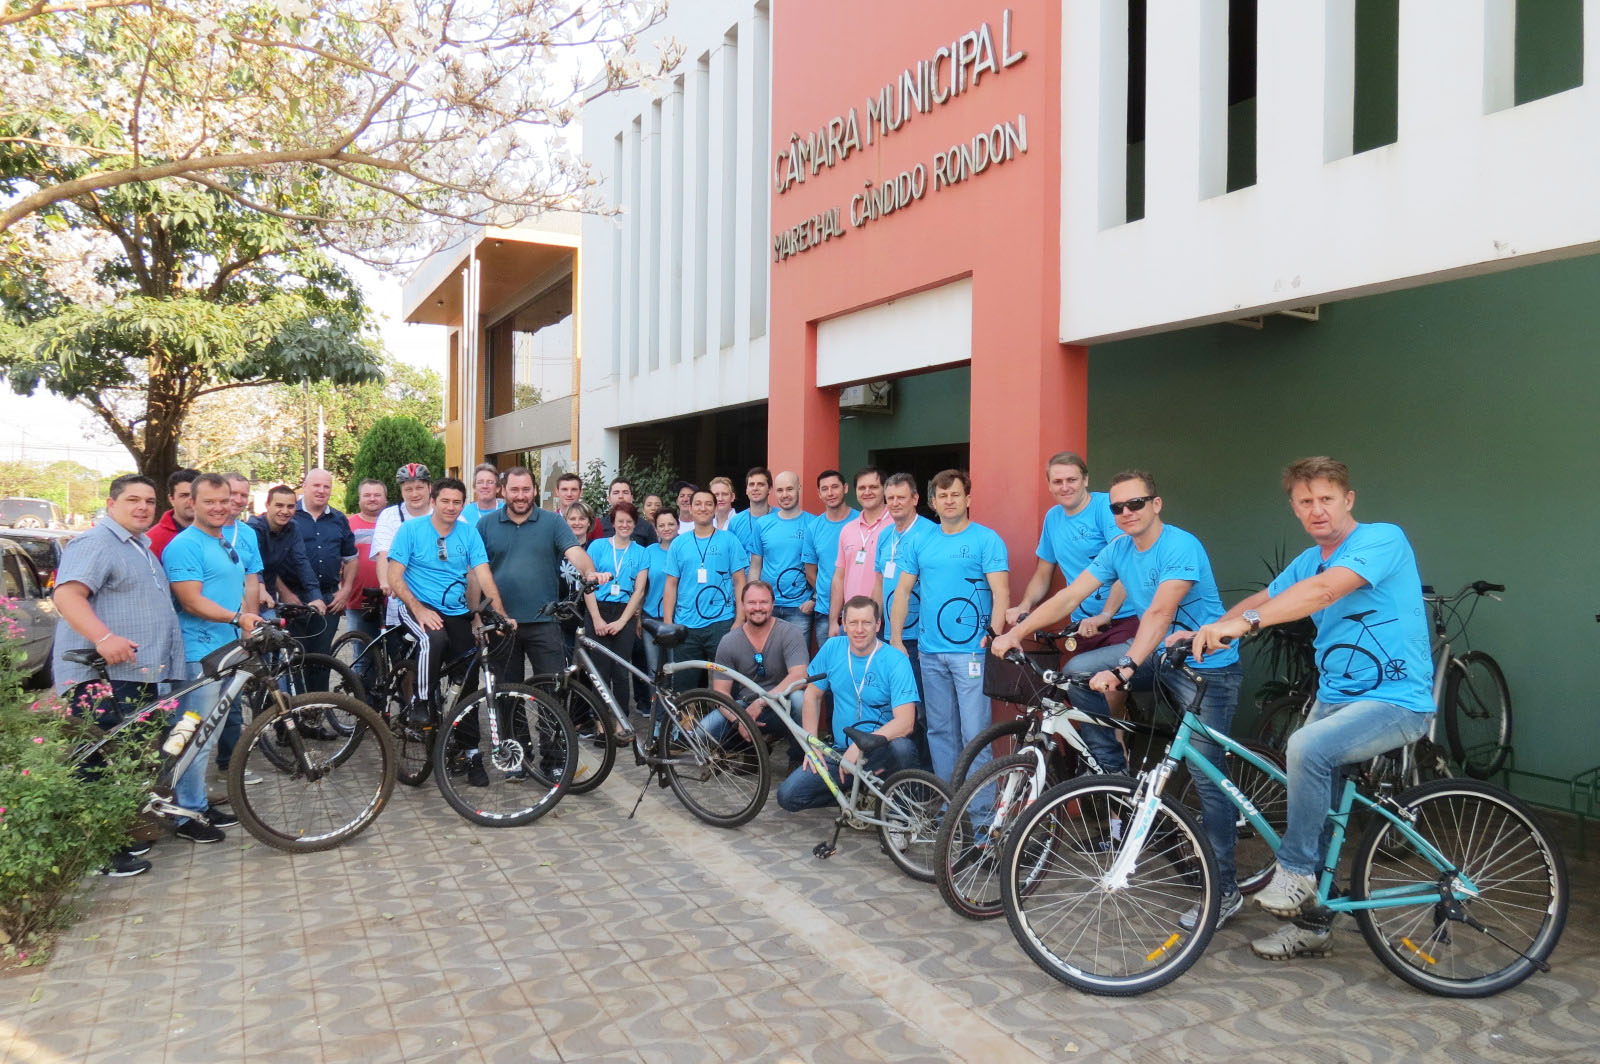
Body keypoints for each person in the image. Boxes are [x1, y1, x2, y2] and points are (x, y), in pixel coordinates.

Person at [1192, 457, 1434, 961]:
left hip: (1396, 700)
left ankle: (1297, 870)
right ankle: (1313, 926)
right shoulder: (1308, 559)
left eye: (1327, 498)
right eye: (1306, 501)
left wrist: (1247, 624)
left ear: (1349, 499)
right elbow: (1269, 595)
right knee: (1315, 802)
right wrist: (1204, 630)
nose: (1317, 509)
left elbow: (1324, 592)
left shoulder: (1382, 539)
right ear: (1295, 509)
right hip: (1336, 700)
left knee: (1305, 748)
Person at [993, 469, 1243, 924]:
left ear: (1156, 504)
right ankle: (1113, 766)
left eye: (1136, 504)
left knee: (1207, 778)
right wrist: (1018, 631)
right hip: (1160, 655)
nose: (1126, 513)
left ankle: (1225, 891)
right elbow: (1069, 596)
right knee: (1077, 671)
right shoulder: (1119, 549)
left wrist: (1126, 667)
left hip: (1206, 667)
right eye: (1118, 507)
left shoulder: (1180, 546)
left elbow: (1162, 612)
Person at [51, 473, 187, 877]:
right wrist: (104, 636)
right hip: (102, 676)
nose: (142, 507)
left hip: (136, 673)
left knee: (126, 758)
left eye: (148, 500)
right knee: (94, 764)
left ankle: (120, 835)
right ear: (111, 505)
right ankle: (95, 854)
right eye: (132, 499)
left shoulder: (139, 546)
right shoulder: (96, 542)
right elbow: (66, 595)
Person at [889, 469, 1009, 786]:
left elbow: (1002, 592)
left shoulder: (986, 539)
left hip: (972, 652)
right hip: (930, 653)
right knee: (939, 731)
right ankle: (949, 806)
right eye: (943, 495)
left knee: (975, 734)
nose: (949, 500)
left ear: (968, 498)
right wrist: (896, 638)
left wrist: (994, 637)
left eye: (956, 494)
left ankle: (981, 816)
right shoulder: (920, 541)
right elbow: (901, 591)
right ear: (933, 502)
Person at [162, 473, 262, 843]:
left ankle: (196, 803)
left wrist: (243, 627)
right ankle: (185, 813)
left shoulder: (221, 541)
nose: (219, 507)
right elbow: (191, 600)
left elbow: (237, 587)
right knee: (192, 734)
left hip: (224, 650)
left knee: (209, 733)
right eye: (209, 502)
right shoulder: (185, 545)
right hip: (197, 655)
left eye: (224, 501)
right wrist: (238, 618)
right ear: (193, 503)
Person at [1005, 451, 1137, 716]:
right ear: (1050, 485)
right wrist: (1024, 604)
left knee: (1108, 700)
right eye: (1057, 481)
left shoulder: (1104, 507)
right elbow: (1044, 574)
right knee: (1084, 700)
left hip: (1124, 617)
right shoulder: (1053, 519)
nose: (1065, 487)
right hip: (1082, 625)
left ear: (1085, 479)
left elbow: (1124, 565)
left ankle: (1115, 753)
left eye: (1071, 479)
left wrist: (1106, 613)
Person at [387, 478, 512, 739]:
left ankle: (468, 749)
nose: (451, 507)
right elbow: (394, 577)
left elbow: (484, 575)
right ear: (433, 502)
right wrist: (419, 609)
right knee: (433, 638)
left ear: (463, 504)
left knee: (467, 673)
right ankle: (419, 703)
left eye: (457, 502)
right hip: (416, 605)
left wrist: (501, 615)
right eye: (445, 501)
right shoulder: (411, 530)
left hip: (455, 611)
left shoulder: (468, 533)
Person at [775, 596, 919, 812]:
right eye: (853, 622)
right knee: (789, 796)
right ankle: (857, 794)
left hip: (880, 751)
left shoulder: (896, 660)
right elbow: (812, 696)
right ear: (843, 623)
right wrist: (811, 745)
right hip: (840, 752)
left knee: (903, 748)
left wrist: (861, 746)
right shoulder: (833, 648)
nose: (859, 629)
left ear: (878, 625)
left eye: (866, 623)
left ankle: (900, 815)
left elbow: (906, 722)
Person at [478, 466, 601, 684]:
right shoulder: (486, 525)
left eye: (526, 489)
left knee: (552, 691)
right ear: (503, 491)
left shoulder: (553, 522)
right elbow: (475, 572)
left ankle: (551, 720)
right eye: (514, 490)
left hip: (544, 622)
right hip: (501, 623)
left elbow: (574, 552)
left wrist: (589, 572)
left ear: (534, 490)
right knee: (507, 693)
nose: (520, 496)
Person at [706, 580, 810, 771]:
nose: (758, 608)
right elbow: (720, 693)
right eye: (752, 603)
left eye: (763, 602)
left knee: (800, 699)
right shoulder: (728, 641)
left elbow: (799, 675)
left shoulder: (790, 632)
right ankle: (753, 751)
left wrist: (762, 701)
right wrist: (740, 720)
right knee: (703, 733)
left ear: (772, 604)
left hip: (782, 704)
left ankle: (797, 759)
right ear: (742, 605)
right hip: (746, 706)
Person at [874, 472, 937, 765]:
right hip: (890, 638)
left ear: (915, 499)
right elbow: (878, 584)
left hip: (919, 639)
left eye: (901, 497)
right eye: (890, 498)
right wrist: (877, 625)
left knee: (922, 712)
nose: (895, 503)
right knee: (897, 708)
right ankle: (903, 776)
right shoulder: (885, 535)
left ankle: (924, 780)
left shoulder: (930, 534)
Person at [661, 488, 748, 691]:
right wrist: (668, 623)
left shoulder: (729, 540)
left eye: (708, 503)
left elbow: (740, 582)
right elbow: (671, 585)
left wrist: (739, 619)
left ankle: (733, 722)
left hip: (721, 623)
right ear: (690, 509)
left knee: (729, 683)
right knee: (685, 686)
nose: (703, 508)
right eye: (698, 504)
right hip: (686, 626)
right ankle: (688, 723)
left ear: (715, 508)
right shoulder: (678, 543)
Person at [291, 468, 357, 686]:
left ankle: (315, 714)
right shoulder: (289, 515)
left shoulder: (338, 519)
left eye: (326, 486)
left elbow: (351, 559)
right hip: (294, 600)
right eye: (316, 485)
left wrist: (345, 591)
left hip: (329, 601)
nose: (321, 490)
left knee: (321, 661)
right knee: (294, 661)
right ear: (305, 487)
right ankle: (294, 713)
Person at [584, 500, 649, 717]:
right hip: (598, 610)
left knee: (621, 672)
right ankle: (600, 722)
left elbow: (639, 591)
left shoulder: (641, 552)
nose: (624, 525)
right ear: (613, 522)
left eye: (629, 521)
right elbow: (588, 584)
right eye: (620, 521)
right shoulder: (597, 546)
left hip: (625, 611)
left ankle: (622, 721)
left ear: (635, 524)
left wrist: (623, 621)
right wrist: (596, 619)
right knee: (599, 671)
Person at [828, 467, 891, 638]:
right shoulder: (848, 529)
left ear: (884, 489)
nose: (867, 492)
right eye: (862, 488)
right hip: (850, 623)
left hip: (883, 624)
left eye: (873, 487)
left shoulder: (896, 526)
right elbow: (839, 577)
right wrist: (834, 620)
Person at [748, 471, 813, 635]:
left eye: (789, 489)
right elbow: (755, 566)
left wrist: (814, 599)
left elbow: (823, 567)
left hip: (800, 607)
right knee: (766, 658)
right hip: (767, 606)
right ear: (774, 492)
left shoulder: (813, 523)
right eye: (780, 490)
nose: (785, 495)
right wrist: (751, 601)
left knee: (797, 659)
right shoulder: (762, 524)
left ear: (799, 488)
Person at [372, 463, 435, 631]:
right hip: (401, 599)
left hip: (437, 597)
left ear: (430, 488)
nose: (414, 494)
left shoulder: (442, 513)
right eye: (408, 489)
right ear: (401, 491)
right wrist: (385, 581)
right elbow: (383, 552)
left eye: (419, 488)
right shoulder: (390, 516)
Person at [803, 469, 857, 649]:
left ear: (846, 488)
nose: (830, 493)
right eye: (825, 489)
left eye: (835, 487)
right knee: (830, 667)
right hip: (825, 611)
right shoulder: (813, 527)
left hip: (859, 610)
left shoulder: (860, 521)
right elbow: (810, 572)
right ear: (819, 494)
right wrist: (830, 594)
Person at [343, 477, 390, 663]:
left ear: (386, 499)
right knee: (363, 656)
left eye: (377, 495)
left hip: (393, 601)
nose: (372, 499)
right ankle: (363, 692)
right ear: (359, 498)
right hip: (358, 602)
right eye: (367, 495)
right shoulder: (347, 525)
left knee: (397, 654)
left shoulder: (393, 524)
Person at [637, 508, 681, 685]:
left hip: (678, 618)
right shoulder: (648, 551)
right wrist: (638, 616)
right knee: (654, 670)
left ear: (678, 526)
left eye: (671, 524)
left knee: (676, 668)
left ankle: (678, 709)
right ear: (655, 529)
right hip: (651, 617)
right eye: (661, 525)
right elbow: (641, 587)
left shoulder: (684, 548)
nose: (667, 528)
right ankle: (658, 711)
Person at [146, 468, 199, 558]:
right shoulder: (153, 539)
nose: (190, 501)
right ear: (171, 499)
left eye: (195, 495)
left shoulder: (217, 533)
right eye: (184, 495)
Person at [595, 477, 657, 546]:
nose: (621, 496)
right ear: (609, 499)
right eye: (616, 493)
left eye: (625, 492)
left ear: (632, 498)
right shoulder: (599, 525)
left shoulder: (646, 527)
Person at [727, 466, 773, 556]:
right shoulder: (735, 522)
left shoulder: (780, 518)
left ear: (770, 489)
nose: (755, 488)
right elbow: (730, 556)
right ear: (746, 490)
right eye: (751, 484)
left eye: (760, 484)